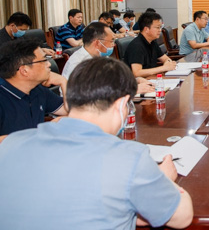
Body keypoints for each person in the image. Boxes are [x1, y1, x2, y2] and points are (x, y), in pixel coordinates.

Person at [0, 57, 193, 229]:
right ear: (121, 104)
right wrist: (165, 179)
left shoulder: (9, 144)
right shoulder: (130, 157)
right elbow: (182, 218)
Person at [0, 38, 67, 142]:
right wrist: (41, 132)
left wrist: (64, 82)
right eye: (44, 60)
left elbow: (70, 110)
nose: (49, 64)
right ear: (24, 70)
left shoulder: (37, 89)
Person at [61, 22, 154, 94]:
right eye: (111, 41)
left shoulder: (100, 56)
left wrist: (135, 81)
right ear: (97, 43)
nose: (113, 45)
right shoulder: (79, 63)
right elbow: (92, 94)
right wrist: (131, 90)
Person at [123, 12, 177, 78]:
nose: (160, 30)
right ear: (146, 29)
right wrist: (164, 68)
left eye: (160, 27)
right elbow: (137, 73)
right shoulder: (137, 46)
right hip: (140, 82)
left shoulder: (152, 42)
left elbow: (166, 59)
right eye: (157, 27)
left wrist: (168, 64)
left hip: (152, 78)